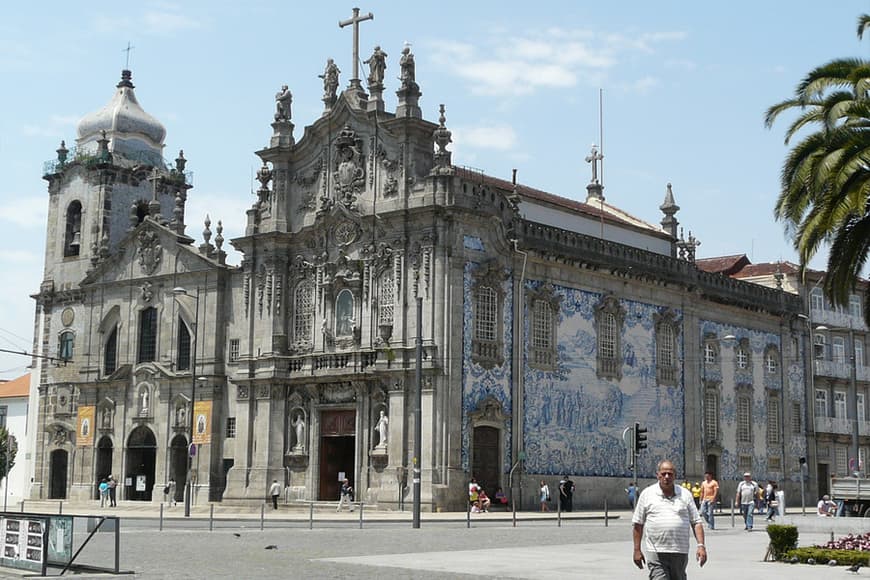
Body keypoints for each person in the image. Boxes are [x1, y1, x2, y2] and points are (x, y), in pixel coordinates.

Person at [632, 459, 707, 579]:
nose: (666, 477)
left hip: (679, 551)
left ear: (675, 476)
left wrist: (701, 546)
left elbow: (696, 522)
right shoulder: (647, 494)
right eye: (663, 474)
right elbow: (638, 524)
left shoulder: (685, 494)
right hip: (656, 551)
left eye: (670, 474)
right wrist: (637, 550)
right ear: (658, 475)